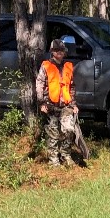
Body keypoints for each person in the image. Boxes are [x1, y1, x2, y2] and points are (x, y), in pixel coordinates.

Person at [36, 39, 78, 167]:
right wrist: (42, 103)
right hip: (50, 105)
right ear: (52, 52)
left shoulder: (68, 66)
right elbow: (39, 84)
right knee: (53, 134)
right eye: (56, 50)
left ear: (65, 52)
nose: (59, 52)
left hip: (66, 105)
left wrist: (74, 104)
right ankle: (53, 160)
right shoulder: (46, 66)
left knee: (69, 130)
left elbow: (71, 87)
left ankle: (66, 155)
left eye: (61, 50)